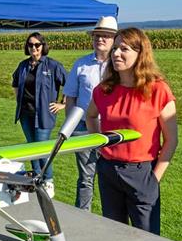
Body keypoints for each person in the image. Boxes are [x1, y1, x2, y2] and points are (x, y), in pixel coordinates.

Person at [86, 27, 178, 235]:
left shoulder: (157, 89)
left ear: (140, 54)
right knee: (114, 234)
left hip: (142, 172)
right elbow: (90, 116)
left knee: (146, 238)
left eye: (124, 49)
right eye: (115, 48)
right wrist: (100, 145)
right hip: (109, 170)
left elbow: (171, 139)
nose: (116, 53)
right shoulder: (104, 90)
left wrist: (154, 178)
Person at [64, 16, 117, 210]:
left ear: (113, 40)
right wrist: (69, 127)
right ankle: (83, 215)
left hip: (111, 131)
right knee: (86, 178)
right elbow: (70, 97)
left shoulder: (119, 66)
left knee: (110, 176)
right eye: (97, 36)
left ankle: (111, 216)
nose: (100, 39)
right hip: (84, 129)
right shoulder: (81, 64)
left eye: (105, 36)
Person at [11, 32, 67, 196]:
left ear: (43, 46)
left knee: (42, 148)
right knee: (31, 147)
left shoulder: (52, 66)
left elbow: (69, 83)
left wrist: (62, 104)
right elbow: (15, 82)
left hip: (43, 114)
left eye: (37, 45)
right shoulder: (23, 65)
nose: (33, 48)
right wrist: (19, 100)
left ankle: (48, 180)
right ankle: (36, 178)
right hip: (25, 114)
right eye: (30, 45)